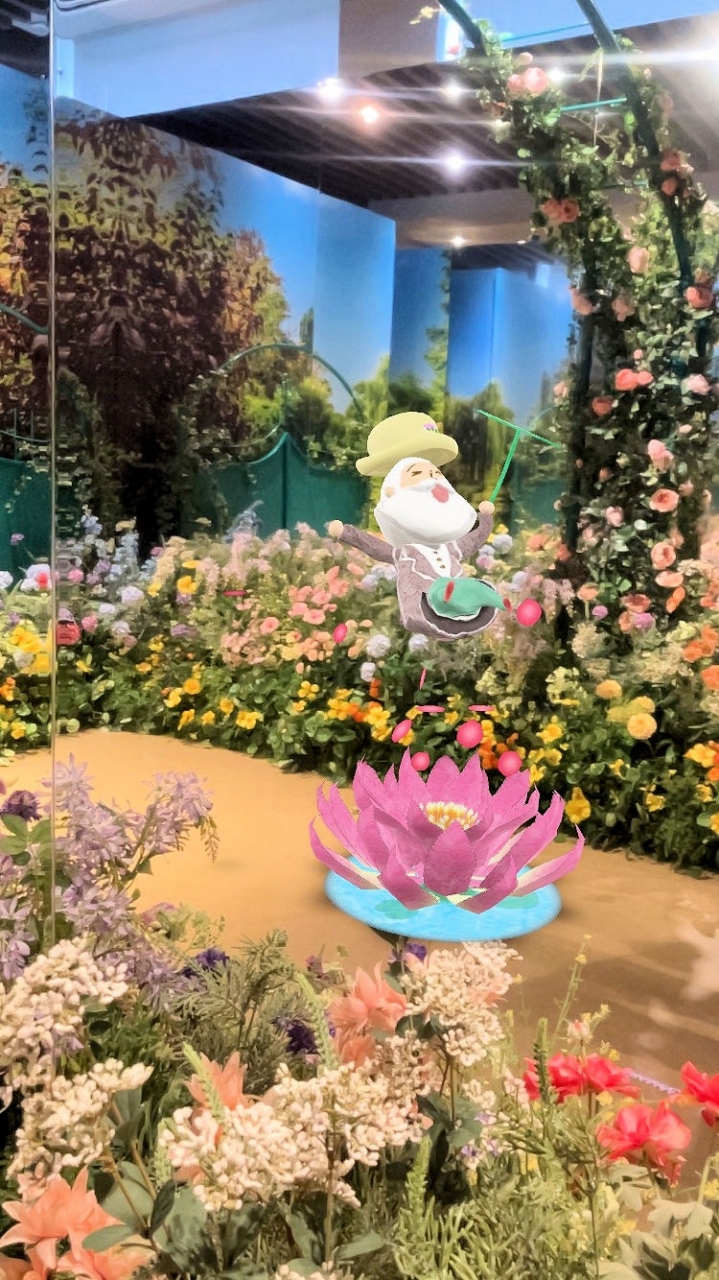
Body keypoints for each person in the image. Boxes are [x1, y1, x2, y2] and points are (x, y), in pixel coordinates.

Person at [328, 412, 505, 642]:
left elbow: (474, 540)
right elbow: (374, 546)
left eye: (435, 473)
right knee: (438, 593)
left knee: (470, 592)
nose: (431, 480)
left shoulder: (450, 549)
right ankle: (448, 595)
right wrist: (346, 533)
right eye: (417, 474)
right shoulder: (406, 553)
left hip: (460, 608)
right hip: (425, 605)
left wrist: (486, 519)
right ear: (391, 490)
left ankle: (473, 599)